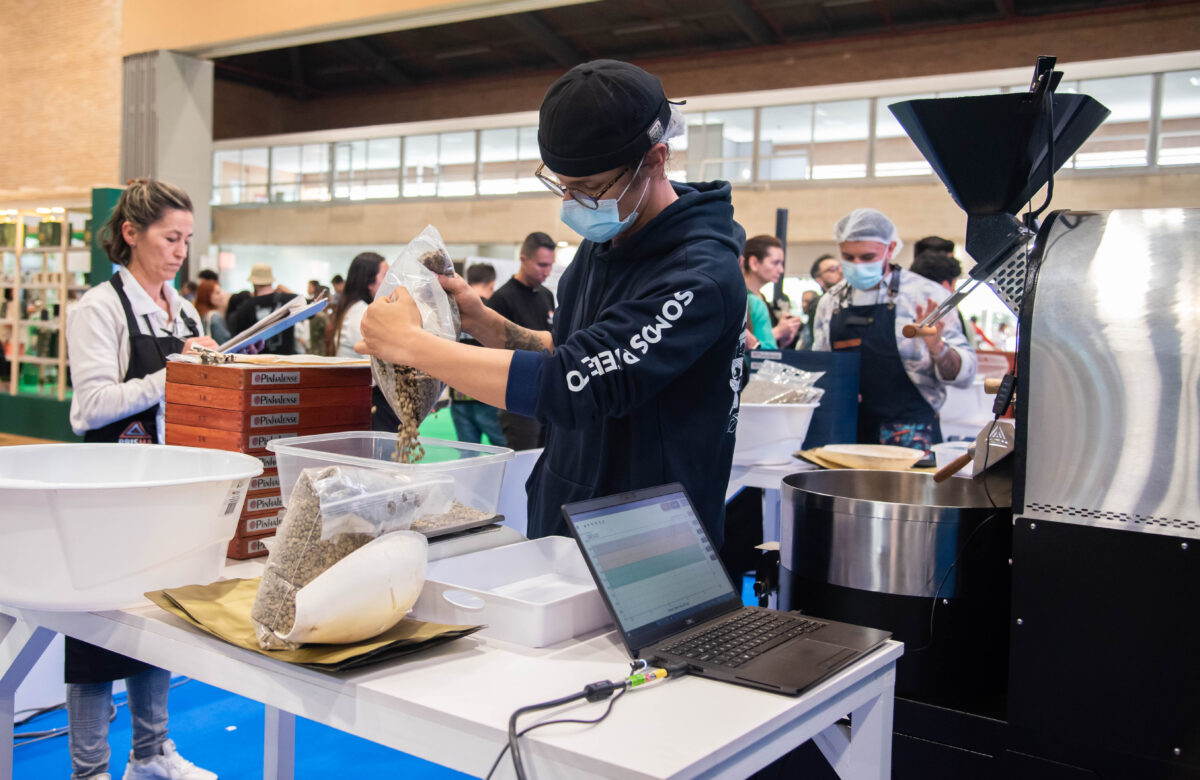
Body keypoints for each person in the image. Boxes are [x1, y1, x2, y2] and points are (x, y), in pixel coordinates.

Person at [357, 59, 746, 546]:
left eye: (589, 189)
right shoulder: (603, 248)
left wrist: (411, 345)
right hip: (567, 517)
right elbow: (570, 353)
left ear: (656, 159)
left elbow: (574, 386)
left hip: (650, 538)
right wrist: (479, 319)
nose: (572, 204)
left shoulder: (697, 276)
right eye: (561, 185)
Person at [65, 178, 218, 780]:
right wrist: (176, 374)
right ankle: (90, 770)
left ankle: (152, 755)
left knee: (154, 623)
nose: (181, 251)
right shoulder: (98, 309)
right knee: (96, 637)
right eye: (170, 237)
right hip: (108, 493)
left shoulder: (183, 310)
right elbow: (89, 408)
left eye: (187, 239)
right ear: (130, 234)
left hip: (166, 488)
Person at [812, 208, 976, 450]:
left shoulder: (926, 296)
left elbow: (965, 375)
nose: (857, 265)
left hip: (910, 435)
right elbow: (821, 366)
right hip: (845, 433)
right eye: (848, 257)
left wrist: (938, 348)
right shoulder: (831, 302)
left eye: (867, 257)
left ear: (890, 249)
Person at [487, 231, 556, 450]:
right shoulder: (502, 298)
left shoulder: (546, 295)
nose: (547, 272)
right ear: (524, 259)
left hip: (548, 393)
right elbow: (493, 350)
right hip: (518, 396)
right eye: (542, 265)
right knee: (523, 462)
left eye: (550, 265)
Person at [327, 252, 398, 431]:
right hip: (367, 402)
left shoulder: (356, 310)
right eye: (385, 276)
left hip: (365, 398)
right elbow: (386, 360)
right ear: (369, 281)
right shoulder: (361, 313)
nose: (391, 282)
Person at [449, 263, 506, 446]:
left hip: (459, 394)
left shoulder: (452, 310)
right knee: (505, 449)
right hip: (488, 395)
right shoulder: (494, 310)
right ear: (491, 284)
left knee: (467, 454)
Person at [742, 234, 801, 350]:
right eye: (775, 263)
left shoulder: (762, 300)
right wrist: (778, 331)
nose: (781, 270)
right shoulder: (747, 301)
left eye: (781, 264)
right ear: (754, 263)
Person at [225, 264, 298, 354]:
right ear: (271, 281)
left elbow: (238, 340)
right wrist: (289, 292)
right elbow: (312, 309)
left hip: (258, 363)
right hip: (288, 362)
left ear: (254, 283)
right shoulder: (290, 300)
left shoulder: (246, 306)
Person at [909, 248, 973, 347]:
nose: (954, 292)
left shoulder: (897, 308)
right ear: (945, 286)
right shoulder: (949, 318)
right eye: (954, 286)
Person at [193, 278, 231, 345]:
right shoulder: (215, 317)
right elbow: (224, 342)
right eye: (217, 293)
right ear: (207, 296)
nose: (221, 296)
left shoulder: (198, 313)